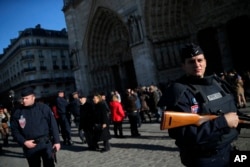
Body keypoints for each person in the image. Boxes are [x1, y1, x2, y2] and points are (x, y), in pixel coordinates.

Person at [158, 43, 241, 167]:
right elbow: (184, 135)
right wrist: (223, 122)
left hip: (229, 150)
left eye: (200, 60)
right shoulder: (179, 92)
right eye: (191, 62)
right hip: (206, 159)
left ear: (205, 62)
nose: (197, 65)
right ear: (183, 66)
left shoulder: (217, 83)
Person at [11, 87, 61, 167]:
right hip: (30, 146)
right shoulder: (18, 112)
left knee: (49, 164)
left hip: (45, 143)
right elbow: (14, 130)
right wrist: (24, 142)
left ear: (33, 97)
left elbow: (53, 125)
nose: (24, 101)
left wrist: (57, 141)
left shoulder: (43, 108)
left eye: (26, 98)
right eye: (23, 98)